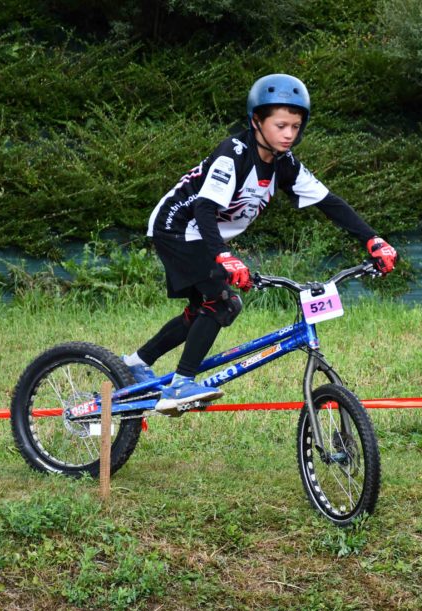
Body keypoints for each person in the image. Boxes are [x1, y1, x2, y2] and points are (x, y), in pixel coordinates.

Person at [123, 73, 397, 414]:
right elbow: (204, 208)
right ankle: (180, 384)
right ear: (256, 121)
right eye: (281, 125)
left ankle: (136, 363)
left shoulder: (284, 164)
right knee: (223, 302)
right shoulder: (234, 153)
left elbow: (330, 202)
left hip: (203, 235)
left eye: (295, 126)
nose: (289, 134)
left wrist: (372, 239)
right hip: (178, 227)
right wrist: (223, 256)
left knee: (202, 310)